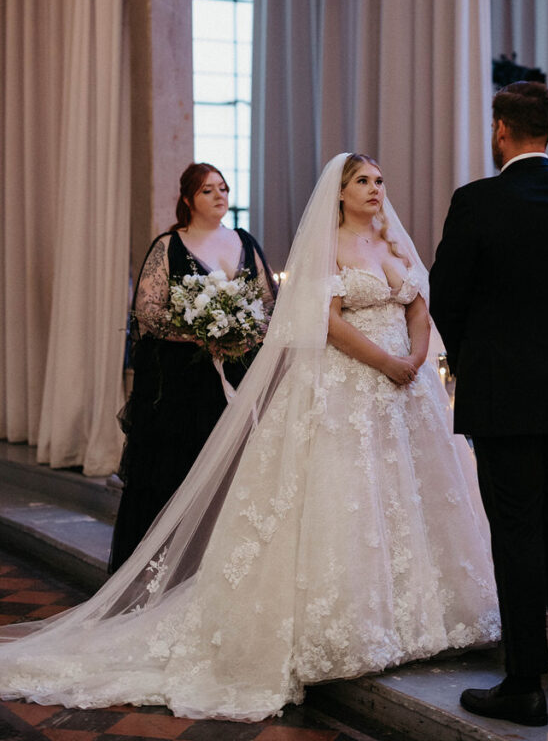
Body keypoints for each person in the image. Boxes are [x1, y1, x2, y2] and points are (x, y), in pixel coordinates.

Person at [0, 153, 499, 720]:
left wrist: (413, 356)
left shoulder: (394, 245)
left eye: (380, 180)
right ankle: (356, 625)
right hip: (353, 382)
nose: (375, 189)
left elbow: (417, 304)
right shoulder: (328, 246)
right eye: (362, 181)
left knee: (412, 498)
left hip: (407, 389)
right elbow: (328, 322)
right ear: (338, 193)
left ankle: (421, 617)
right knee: (349, 499)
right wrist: (386, 361)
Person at [430, 82, 548, 728]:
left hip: (503, 388)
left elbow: (445, 297)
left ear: (500, 129)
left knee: (515, 530)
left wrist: (475, 357)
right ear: (547, 132)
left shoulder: (477, 201)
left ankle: (522, 683)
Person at [109, 162, 277, 571]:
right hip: (183, 385)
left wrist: (243, 330)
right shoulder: (169, 245)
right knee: (177, 471)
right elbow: (147, 311)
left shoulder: (244, 241)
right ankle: (167, 569)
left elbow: (268, 303)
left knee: (234, 471)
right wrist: (202, 333)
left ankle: (228, 565)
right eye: (207, 190)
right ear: (187, 199)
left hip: (237, 377)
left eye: (223, 188)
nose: (219, 195)